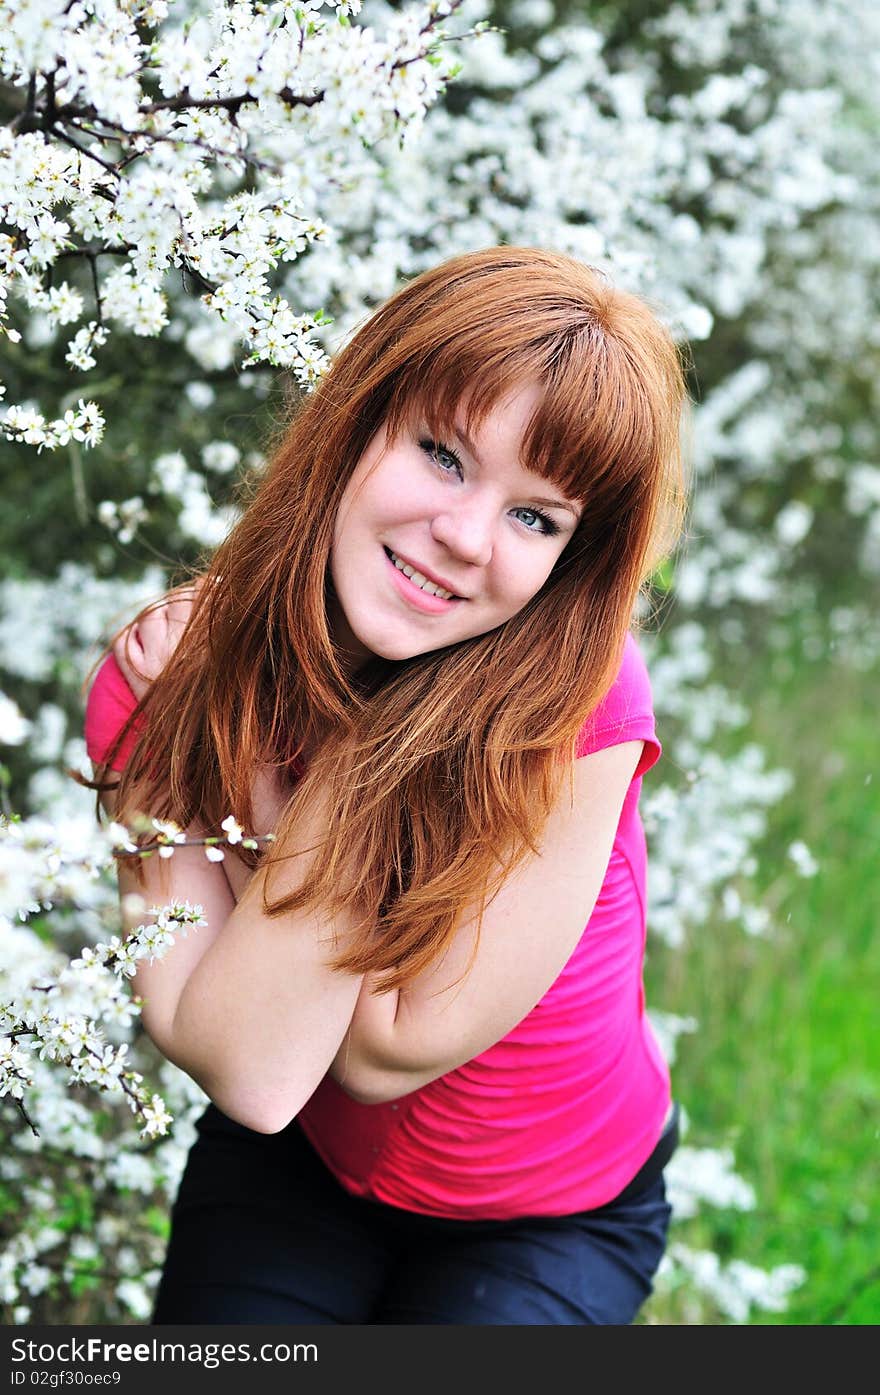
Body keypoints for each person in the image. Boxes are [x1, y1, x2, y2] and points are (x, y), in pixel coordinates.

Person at [82, 245, 690, 1326]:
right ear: (355, 422)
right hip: (297, 1169)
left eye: (535, 517)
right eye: (443, 456)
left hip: (554, 1210)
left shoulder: (580, 702)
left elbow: (384, 1048)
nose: (462, 539)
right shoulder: (162, 688)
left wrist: (287, 788)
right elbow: (259, 1073)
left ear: (573, 567)